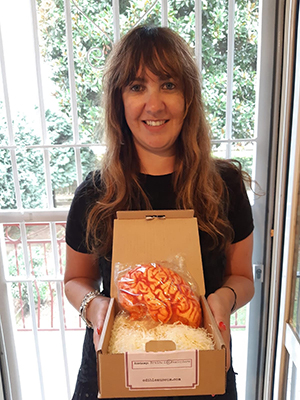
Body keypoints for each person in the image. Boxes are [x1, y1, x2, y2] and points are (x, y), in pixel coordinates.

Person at [64, 25, 255, 400]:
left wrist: (223, 300)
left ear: (188, 97)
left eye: (168, 84)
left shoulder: (225, 185)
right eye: (137, 87)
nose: (154, 105)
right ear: (119, 101)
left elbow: (241, 276)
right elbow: (75, 279)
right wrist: (94, 306)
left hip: (201, 368)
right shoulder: (95, 192)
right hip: (116, 372)